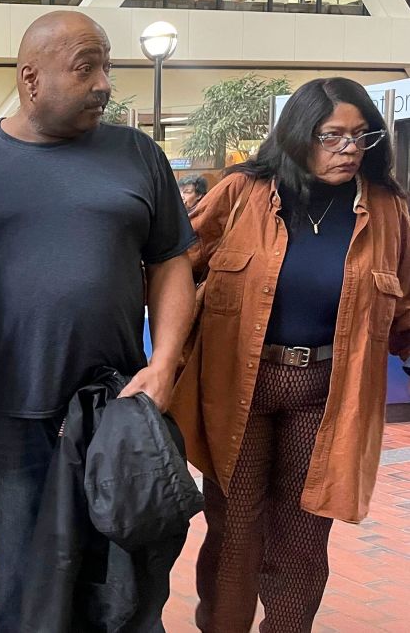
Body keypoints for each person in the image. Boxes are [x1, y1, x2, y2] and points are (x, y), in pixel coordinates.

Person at [0, 11, 196, 633]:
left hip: (121, 404)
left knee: (125, 578)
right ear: (31, 80)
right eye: (87, 69)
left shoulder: (138, 153)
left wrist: (164, 365)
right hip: (14, 411)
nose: (105, 84)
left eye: (108, 66)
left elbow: (170, 264)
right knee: (27, 582)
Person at [170, 77, 410, 632]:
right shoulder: (242, 194)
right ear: (299, 135)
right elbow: (174, 270)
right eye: (333, 136)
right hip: (239, 389)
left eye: (361, 136)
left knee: (303, 538)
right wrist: (165, 362)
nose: (350, 149)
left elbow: (406, 306)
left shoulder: (388, 211)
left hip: (326, 394)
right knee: (234, 532)